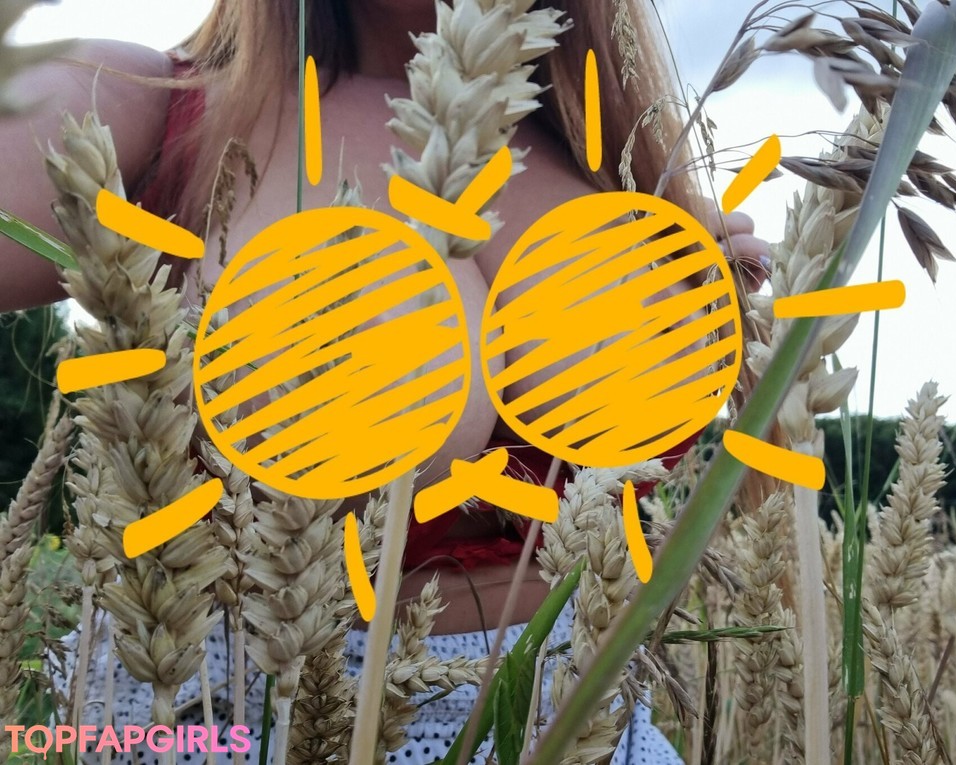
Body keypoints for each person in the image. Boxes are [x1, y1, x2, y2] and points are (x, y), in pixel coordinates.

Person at [1, 1, 771, 762]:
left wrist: (698, 283)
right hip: (238, 720)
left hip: (591, 732)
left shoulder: (625, 158)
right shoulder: (146, 107)